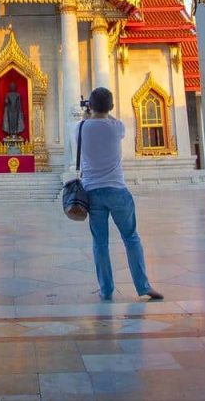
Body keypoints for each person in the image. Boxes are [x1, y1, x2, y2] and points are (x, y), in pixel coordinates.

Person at [77, 86, 164, 301]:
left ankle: (106, 290)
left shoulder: (79, 128)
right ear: (112, 107)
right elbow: (110, 120)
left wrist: (88, 113)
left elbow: (88, 125)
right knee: (131, 238)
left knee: (100, 243)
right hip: (118, 191)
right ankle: (143, 286)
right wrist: (100, 110)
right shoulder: (117, 127)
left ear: (90, 105)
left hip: (93, 192)